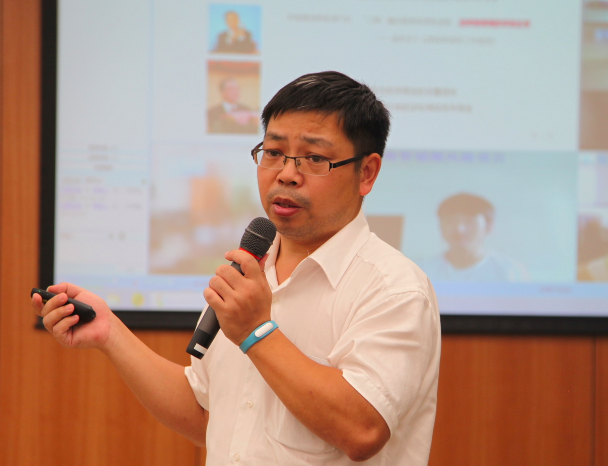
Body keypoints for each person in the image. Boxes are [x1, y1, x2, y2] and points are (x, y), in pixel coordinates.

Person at [32, 71, 441, 465]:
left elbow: (362, 429)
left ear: (366, 173)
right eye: (274, 153)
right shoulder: (249, 271)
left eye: (314, 158)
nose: (286, 174)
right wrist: (111, 334)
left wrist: (255, 331)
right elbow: (208, 415)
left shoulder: (394, 287)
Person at [419, 192, 527, 282]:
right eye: (451, 221)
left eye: (469, 221)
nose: (459, 229)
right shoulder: (421, 271)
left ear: (488, 226)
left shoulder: (510, 272)